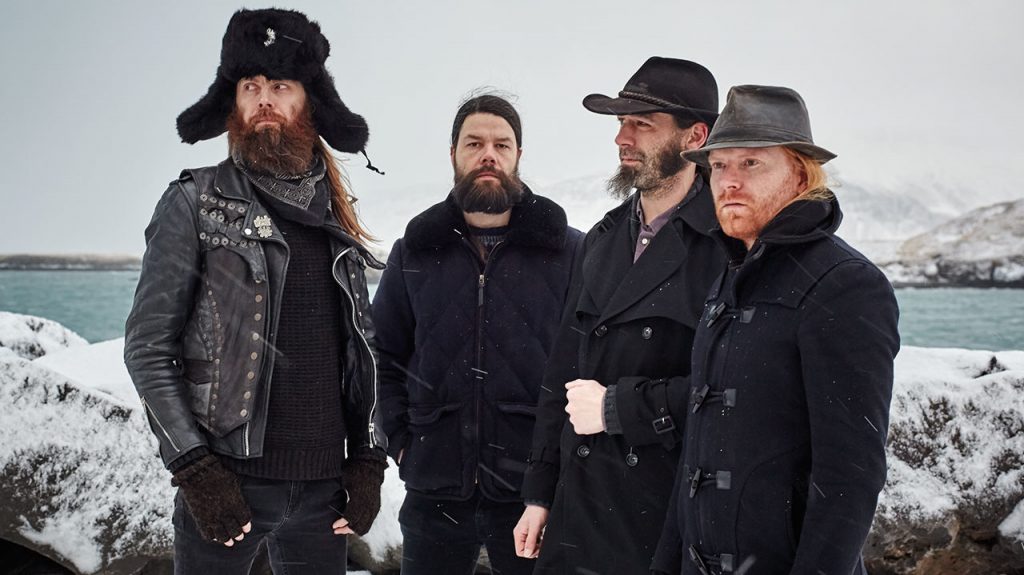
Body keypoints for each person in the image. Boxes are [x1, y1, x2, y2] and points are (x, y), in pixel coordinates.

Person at [124, 9, 387, 574]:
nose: (264, 99)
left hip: (325, 496)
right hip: (230, 485)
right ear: (233, 103)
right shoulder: (194, 202)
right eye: (251, 86)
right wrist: (195, 469)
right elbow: (148, 348)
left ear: (309, 102)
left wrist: (368, 459)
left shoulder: (335, 215)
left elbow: (361, 349)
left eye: (280, 85)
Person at [656, 85, 900, 574]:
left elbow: (850, 474)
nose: (729, 181)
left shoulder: (845, 284)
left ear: (800, 175)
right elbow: (698, 453)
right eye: (719, 165)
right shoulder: (729, 276)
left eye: (751, 163)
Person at [514, 57, 726, 574]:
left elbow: (731, 392)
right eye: (621, 123)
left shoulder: (727, 245)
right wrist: (539, 493)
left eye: (642, 124)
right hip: (578, 508)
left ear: (695, 137)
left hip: (665, 513)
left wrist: (616, 409)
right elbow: (562, 372)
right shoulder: (603, 238)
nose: (621, 139)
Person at [372, 94, 583, 575]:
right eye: (474, 143)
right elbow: (382, 353)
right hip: (433, 487)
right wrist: (400, 439)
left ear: (518, 156)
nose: (488, 154)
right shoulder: (414, 251)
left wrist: (561, 459)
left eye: (501, 144)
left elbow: (587, 359)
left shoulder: (569, 252)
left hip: (534, 491)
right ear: (453, 154)